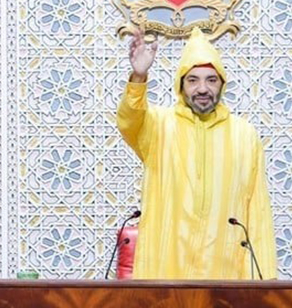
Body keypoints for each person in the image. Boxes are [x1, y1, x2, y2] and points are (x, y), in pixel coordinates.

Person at [116, 27, 277, 279]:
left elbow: (257, 210)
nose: (203, 89)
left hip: (225, 272)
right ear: (181, 86)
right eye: (193, 80)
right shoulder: (158, 126)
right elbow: (129, 121)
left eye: (211, 80)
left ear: (222, 85)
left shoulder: (244, 134)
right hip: (165, 267)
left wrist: (264, 279)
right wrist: (139, 76)